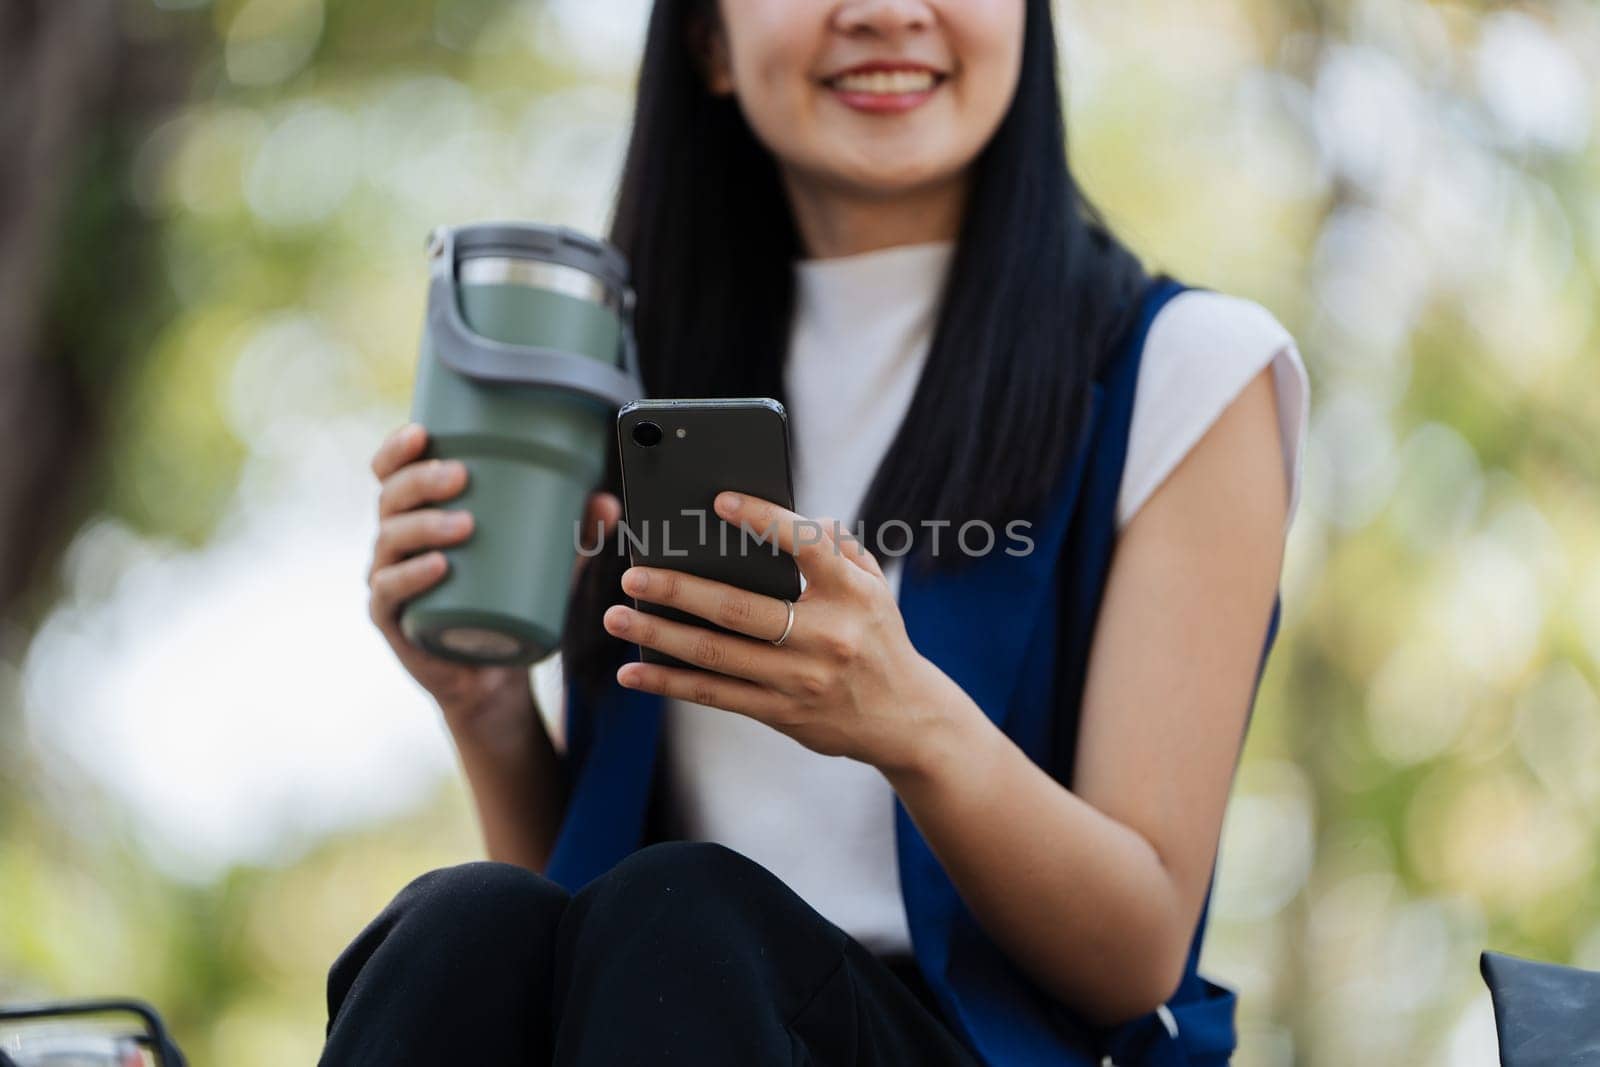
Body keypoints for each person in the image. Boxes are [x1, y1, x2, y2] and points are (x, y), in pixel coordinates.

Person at [329, 0, 1309, 1064]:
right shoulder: (632, 380)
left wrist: (910, 721)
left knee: (681, 911)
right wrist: (487, 709)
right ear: (707, 41)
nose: (887, 12)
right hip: (665, 1013)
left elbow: (1136, 952)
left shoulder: (1186, 368)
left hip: (972, 1043)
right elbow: (574, 920)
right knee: (463, 926)